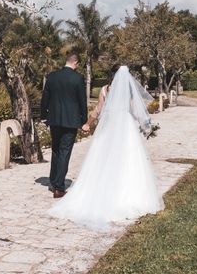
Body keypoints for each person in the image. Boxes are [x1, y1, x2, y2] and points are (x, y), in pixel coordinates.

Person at [49, 65, 164, 230]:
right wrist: (148, 126)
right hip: (126, 129)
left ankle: (101, 190)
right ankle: (126, 194)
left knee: (104, 159)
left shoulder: (104, 89)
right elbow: (137, 112)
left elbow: (97, 110)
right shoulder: (129, 91)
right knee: (128, 160)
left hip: (109, 128)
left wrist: (87, 124)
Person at [40, 52, 88, 198]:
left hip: (54, 119)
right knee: (65, 152)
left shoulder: (52, 76)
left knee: (56, 150)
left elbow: (45, 99)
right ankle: (59, 188)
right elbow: (82, 101)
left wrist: (43, 117)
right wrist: (84, 120)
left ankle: (53, 181)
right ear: (76, 63)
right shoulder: (78, 78)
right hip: (71, 120)